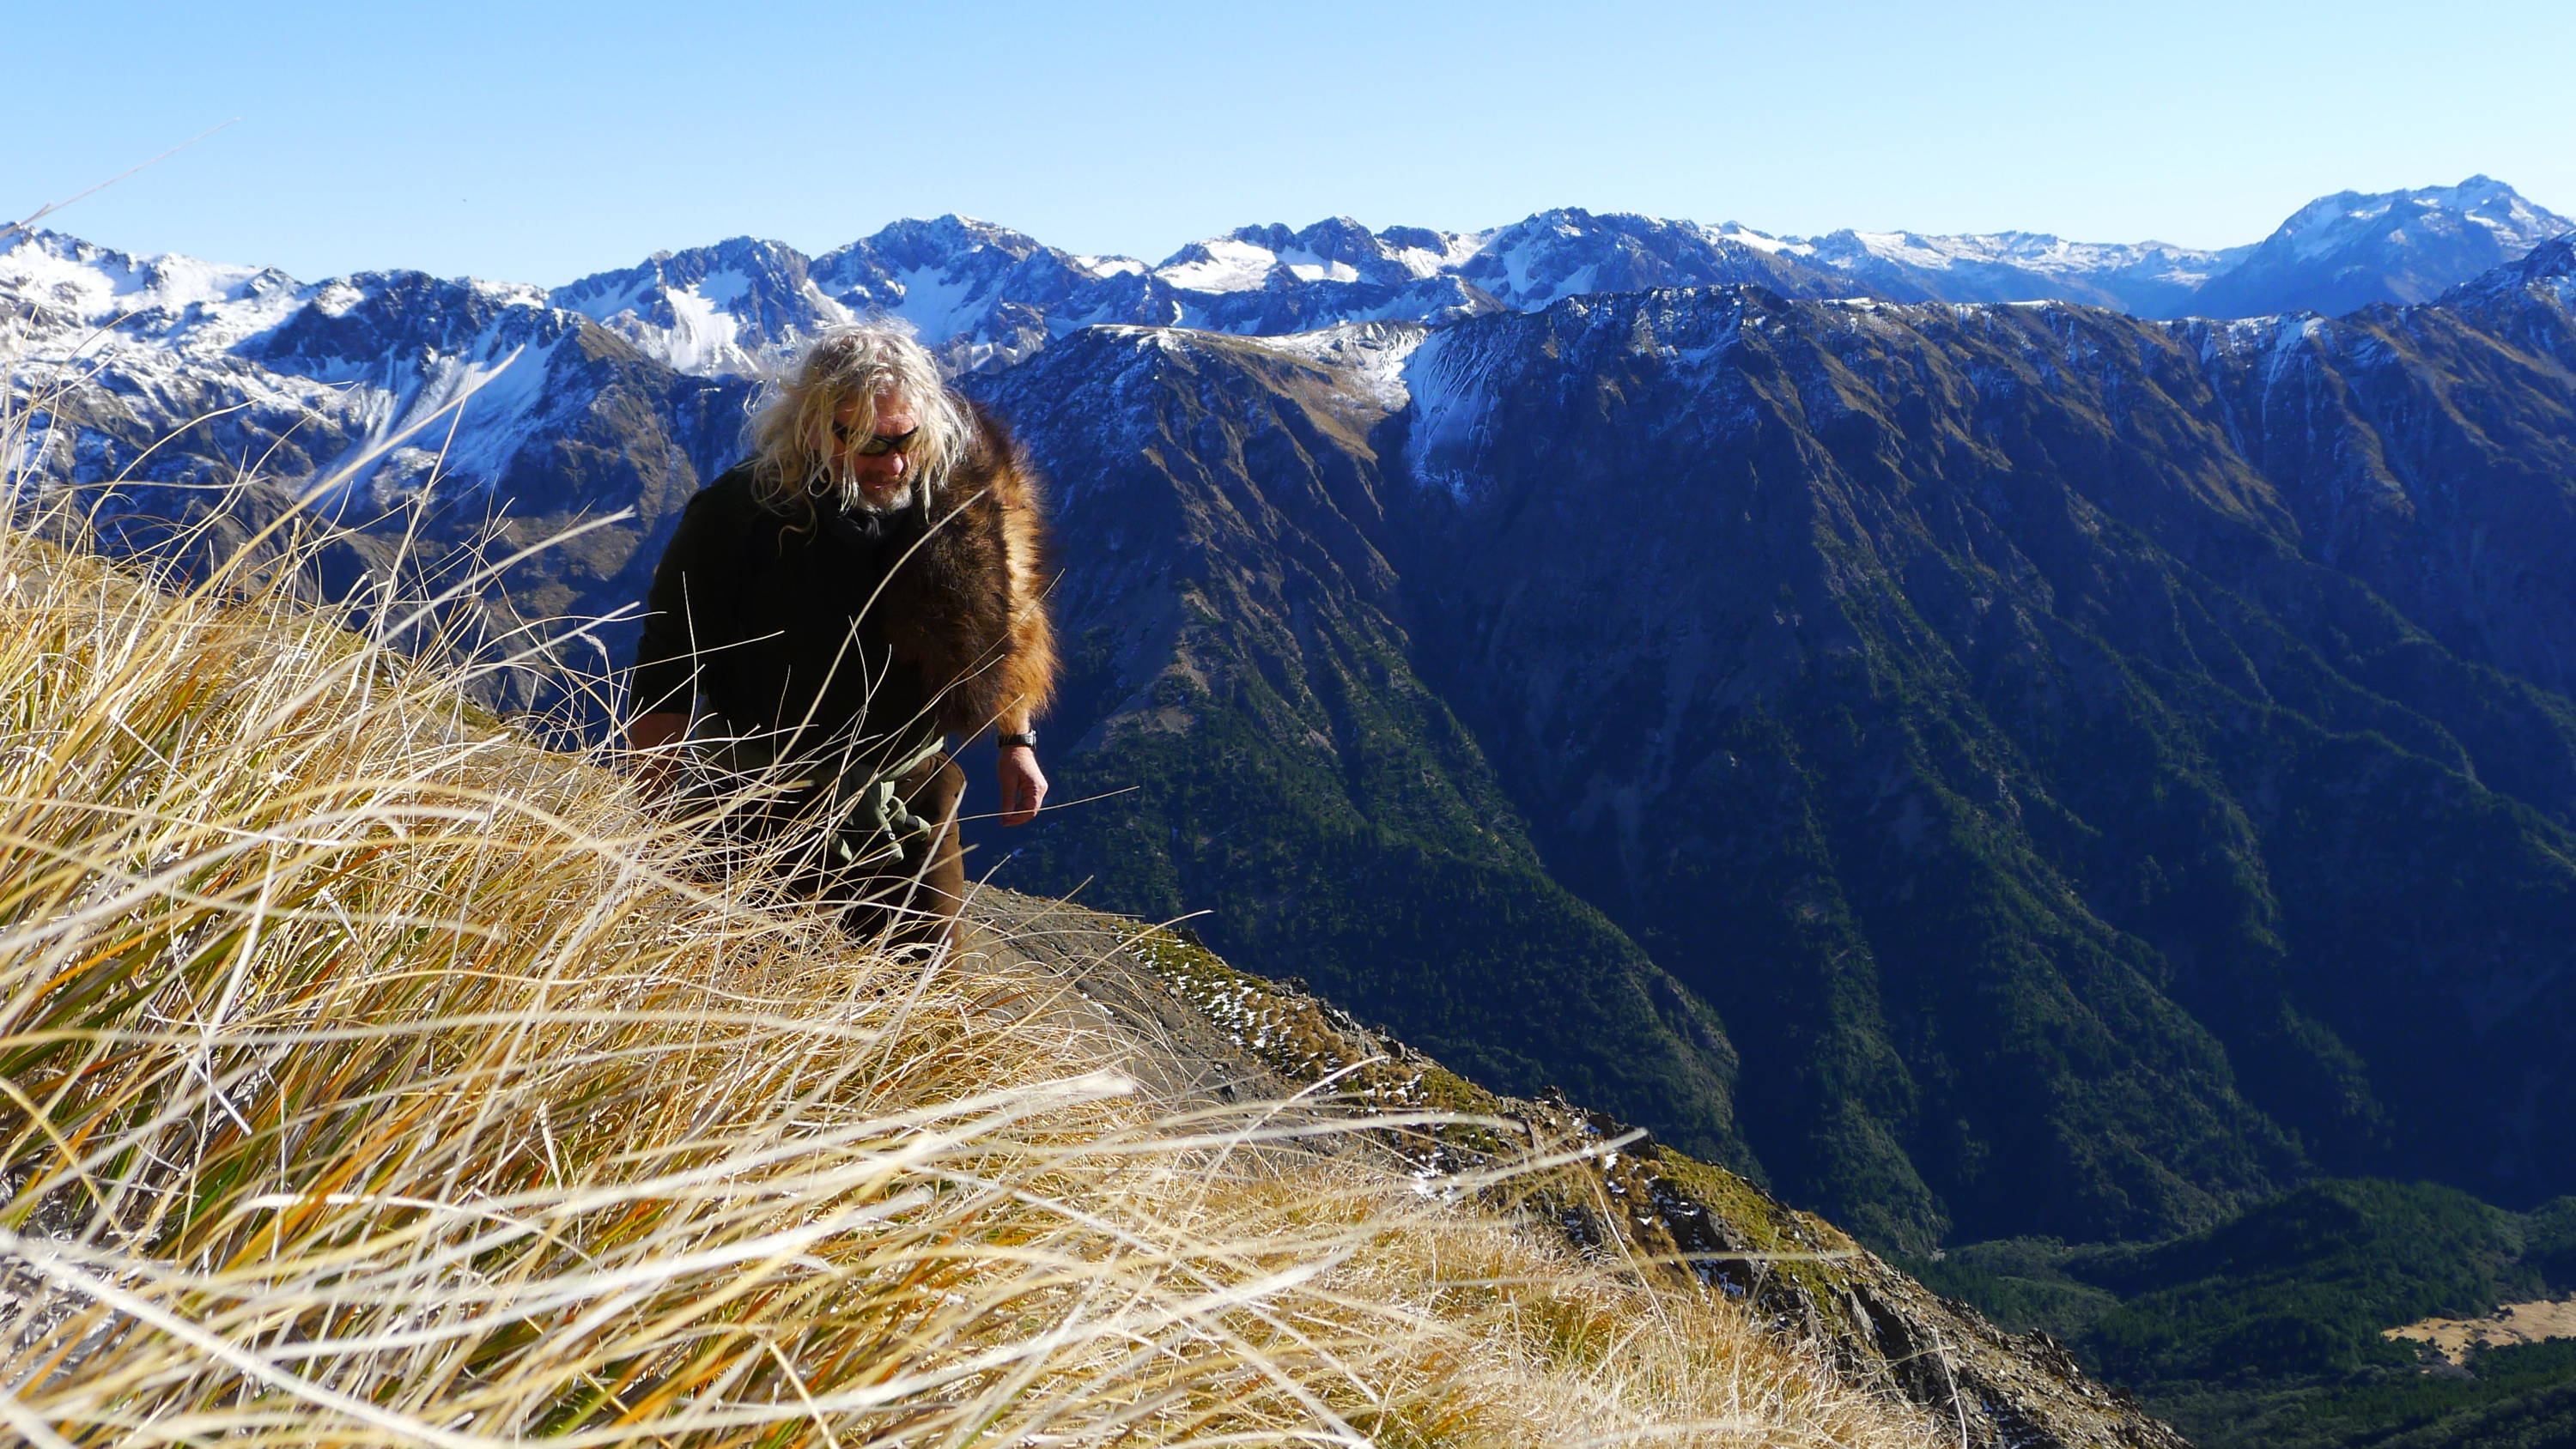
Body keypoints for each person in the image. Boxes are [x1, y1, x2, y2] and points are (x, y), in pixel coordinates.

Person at [624, 324, 1056, 951]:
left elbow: (1010, 622)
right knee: (745, 1006)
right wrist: (658, 827)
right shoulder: (735, 515)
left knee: (924, 1012)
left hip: (907, 800)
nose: (894, 462)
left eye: (906, 436)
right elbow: (667, 670)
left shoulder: (961, 508)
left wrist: (1016, 740)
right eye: (864, 441)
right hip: (755, 802)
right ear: (809, 425)